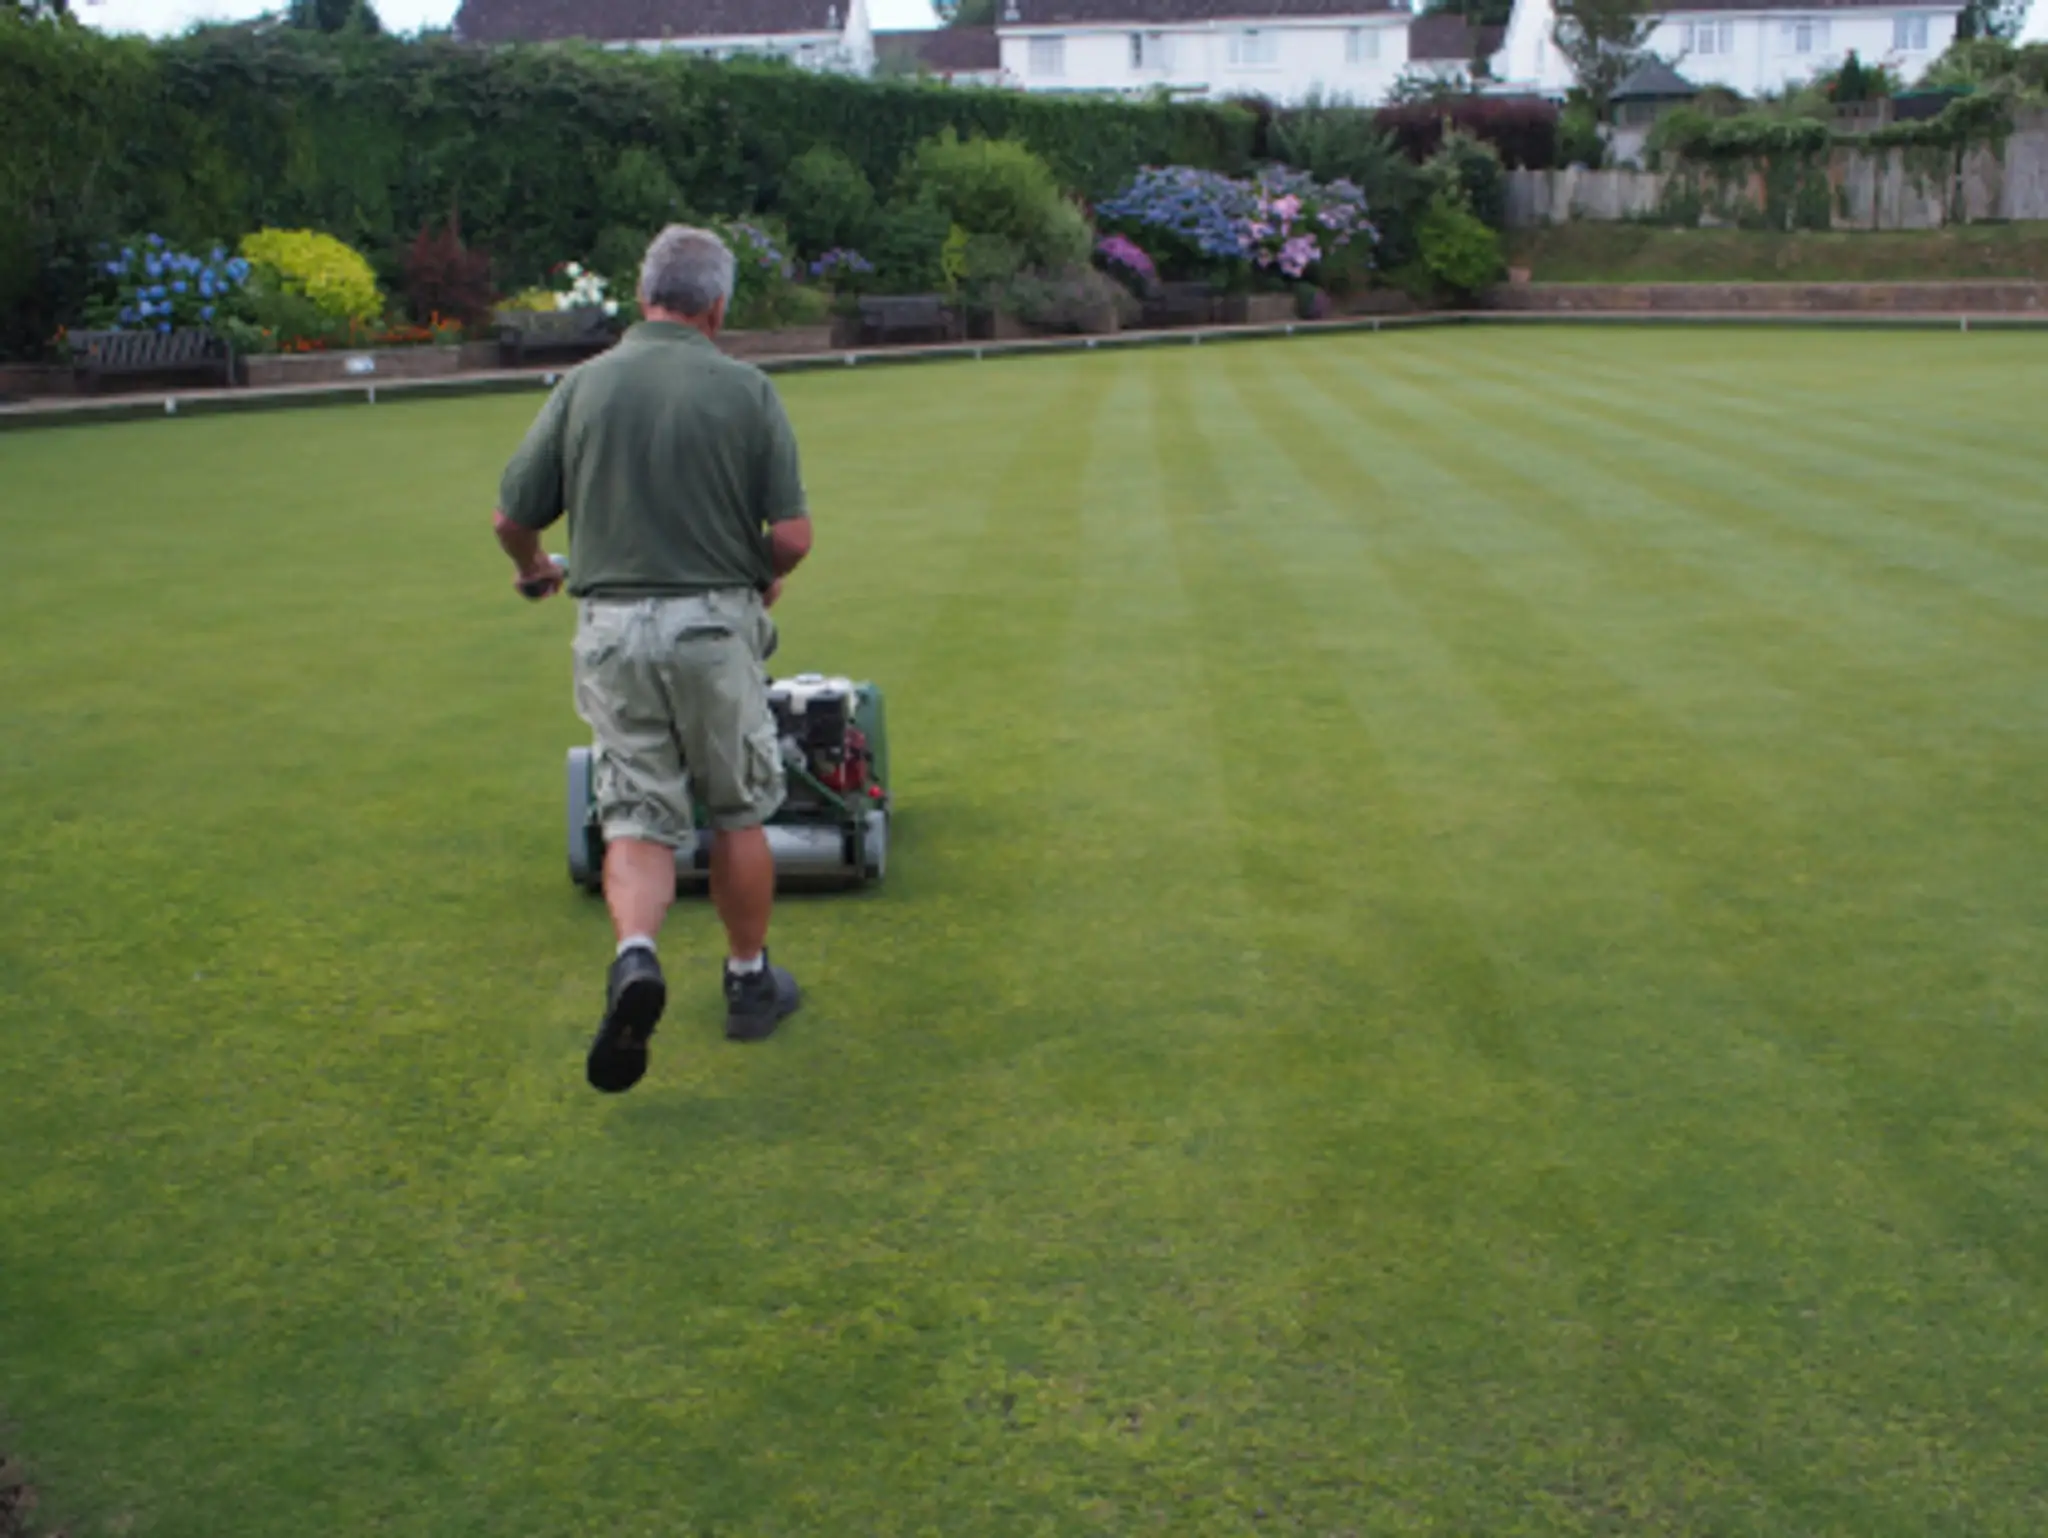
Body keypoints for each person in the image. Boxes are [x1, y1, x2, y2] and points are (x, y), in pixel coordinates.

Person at [492, 224, 814, 1094]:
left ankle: (636, 957)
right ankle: (749, 983)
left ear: (642, 298)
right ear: (717, 307)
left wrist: (532, 572)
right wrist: (760, 578)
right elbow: (790, 538)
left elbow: (513, 516)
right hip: (712, 627)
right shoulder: (745, 390)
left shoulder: (585, 386)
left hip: (612, 625)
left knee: (635, 810)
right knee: (737, 807)